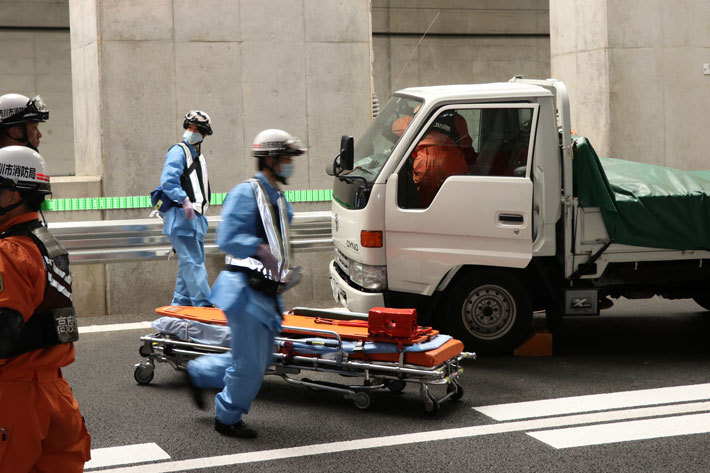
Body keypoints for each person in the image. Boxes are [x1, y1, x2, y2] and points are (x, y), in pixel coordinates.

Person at [186, 129, 305, 438]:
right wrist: (258, 249)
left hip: (266, 294)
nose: (291, 164)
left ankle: (198, 371)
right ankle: (226, 417)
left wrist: (284, 271)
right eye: (287, 159)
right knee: (250, 364)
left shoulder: (277, 196)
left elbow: (278, 240)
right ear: (270, 160)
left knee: (258, 359)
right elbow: (227, 238)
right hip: (244, 291)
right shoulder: (246, 192)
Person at [0, 146, 91, 472]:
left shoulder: (9, 252)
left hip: (15, 398)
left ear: (13, 193)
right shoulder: (48, 245)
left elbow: (3, 333)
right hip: (58, 396)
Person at [160, 110, 213, 307]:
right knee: (193, 264)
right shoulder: (179, 151)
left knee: (188, 266)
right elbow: (168, 181)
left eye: (196, 129)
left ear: (204, 134)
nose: (191, 132)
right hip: (182, 216)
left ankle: (180, 306)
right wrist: (183, 200)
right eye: (189, 128)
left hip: (193, 218)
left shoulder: (197, 155)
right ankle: (205, 306)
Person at [392, 110, 475, 207]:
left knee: (425, 206)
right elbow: (466, 145)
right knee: (454, 203)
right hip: (453, 164)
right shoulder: (457, 119)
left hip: (427, 165)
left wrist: (414, 112)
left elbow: (392, 129)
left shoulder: (415, 118)